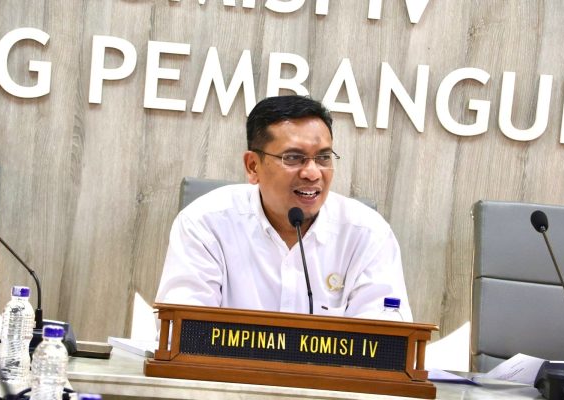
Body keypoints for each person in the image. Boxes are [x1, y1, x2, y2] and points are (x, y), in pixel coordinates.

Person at [155, 95, 412, 321]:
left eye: (323, 157)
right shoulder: (205, 223)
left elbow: (383, 338)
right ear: (253, 166)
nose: (312, 173)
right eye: (293, 158)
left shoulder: (367, 234)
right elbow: (183, 329)